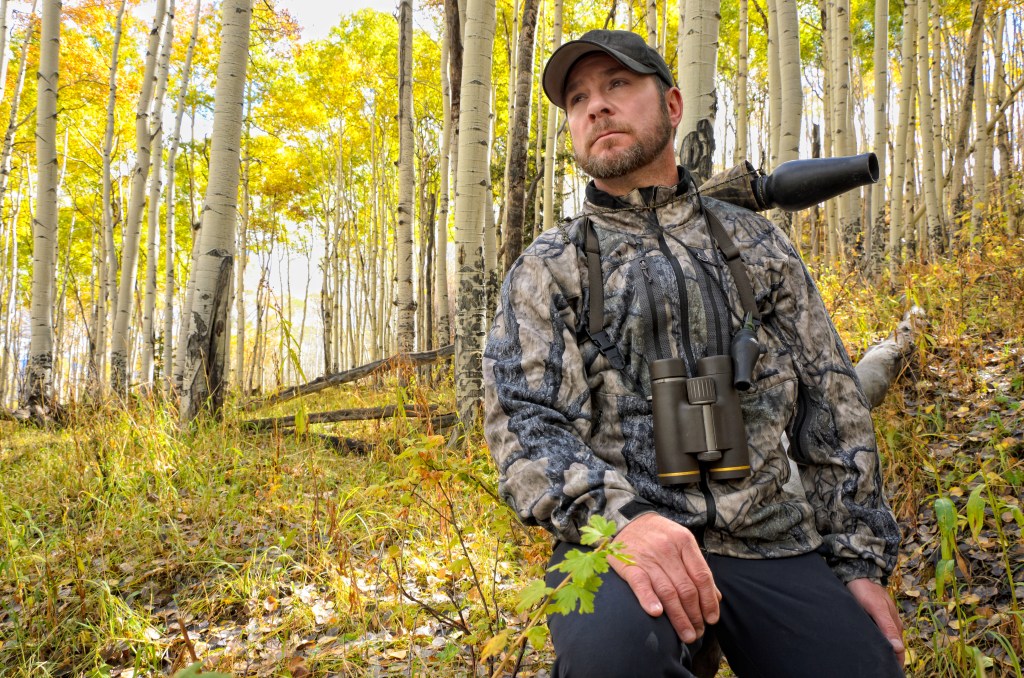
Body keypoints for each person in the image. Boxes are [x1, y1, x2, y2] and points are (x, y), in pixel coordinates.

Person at [482, 29, 905, 678]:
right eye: (577, 98)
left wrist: (859, 562)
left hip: (767, 537)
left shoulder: (754, 243)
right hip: (622, 538)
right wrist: (619, 520)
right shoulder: (550, 266)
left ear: (673, 106)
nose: (596, 106)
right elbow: (524, 423)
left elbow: (832, 402)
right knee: (611, 666)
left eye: (617, 85)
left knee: (862, 666)